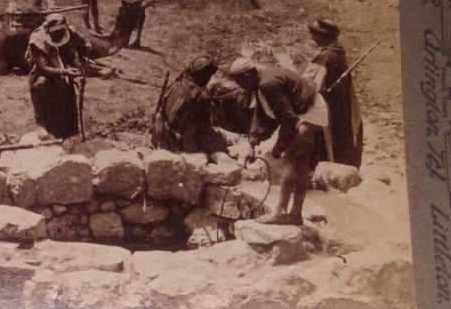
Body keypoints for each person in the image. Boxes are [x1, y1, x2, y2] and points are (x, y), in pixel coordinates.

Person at [227, 56, 327, 227]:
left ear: (247, 76)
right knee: (300, 162)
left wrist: (279, 146)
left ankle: (282, 212)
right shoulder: (261, 82)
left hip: (309, 111)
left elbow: (287, 119)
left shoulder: (268, 83)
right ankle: (295, 214)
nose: (239, 86)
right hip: (307, 109)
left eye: (239, 81)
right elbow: (263, 114)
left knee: (291, 158)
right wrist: (252, 143)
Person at [26, 12, 106, 139]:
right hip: (42, 69)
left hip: (62, 59)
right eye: (55, 35)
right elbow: (43, 66)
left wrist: (86, 47)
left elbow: (83, 41)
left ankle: (69, 129)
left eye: (61, 34)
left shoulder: (67, 29)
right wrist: (63, 72)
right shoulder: (38, 39)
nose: (58, 36)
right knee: (40, 83)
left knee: (67, 85)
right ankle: (41, 123)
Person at [306, 18, 364, 168]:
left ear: (324, 36)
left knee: (327, 140)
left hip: (329, 108)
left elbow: (309, 86)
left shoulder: (324, 57)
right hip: (342, 107)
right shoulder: (338, 55)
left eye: (315, 35)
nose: (312, 38)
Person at [151, 55, 232, 158]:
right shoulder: (198, 95)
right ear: (204, 75)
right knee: (220, 143)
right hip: (174, 142)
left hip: (160, 133)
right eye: (209, 75)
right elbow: (206, 125)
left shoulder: (178, 82)